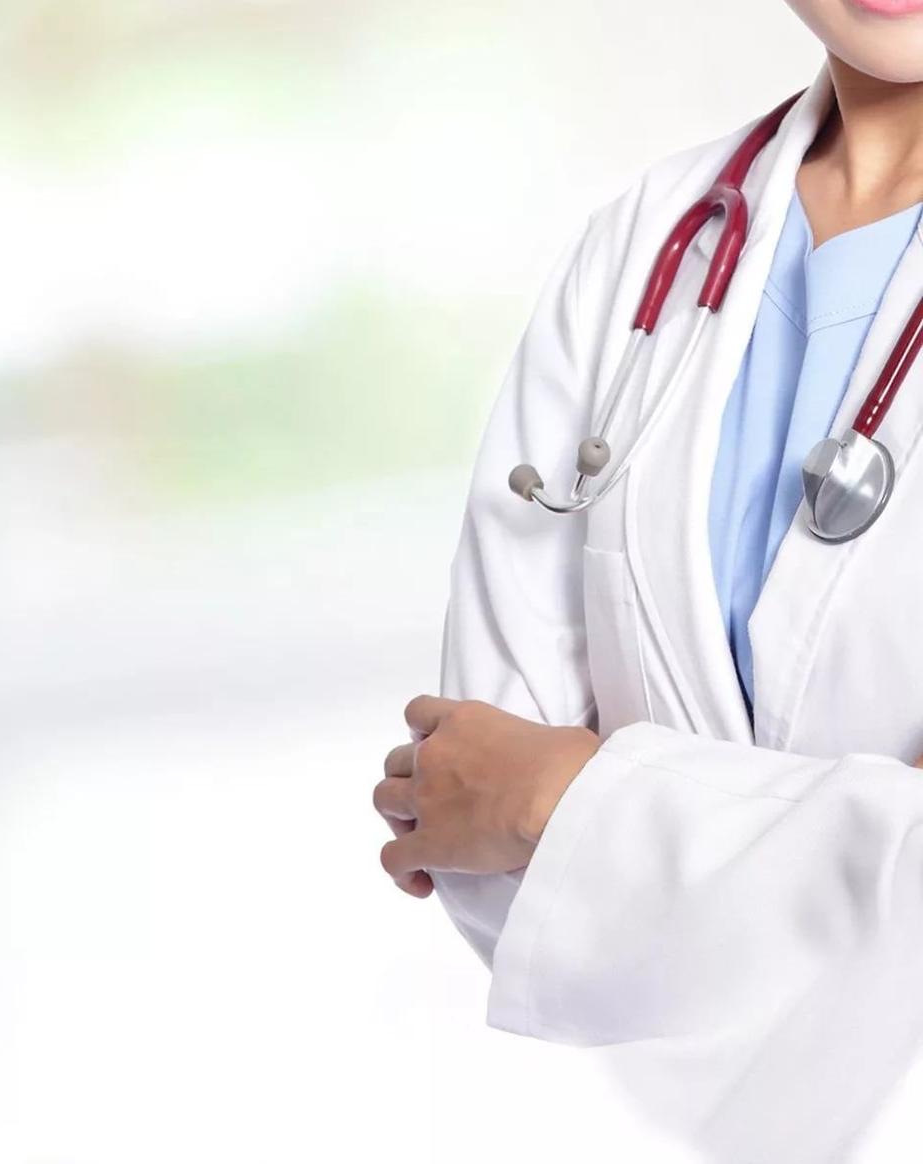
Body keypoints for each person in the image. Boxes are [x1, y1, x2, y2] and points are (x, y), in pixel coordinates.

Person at [376, 3, 923, 1157]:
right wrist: (847, 858)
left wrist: (562, 804)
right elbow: (483, 837)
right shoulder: (644, 243)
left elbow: (525, 819)